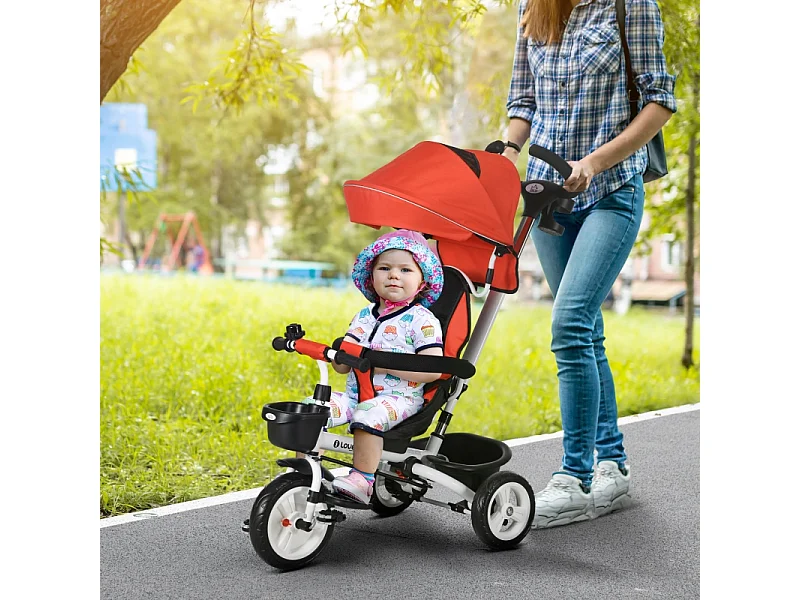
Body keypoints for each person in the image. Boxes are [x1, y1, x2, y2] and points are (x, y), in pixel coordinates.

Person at [502, 0, 676, 528]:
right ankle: (613, 467)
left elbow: (659, 102)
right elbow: (523, 99)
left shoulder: (631, 6)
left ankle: (573, 477)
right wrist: (504, 150)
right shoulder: (534, 8)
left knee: (571, 323)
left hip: (610, 189)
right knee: (587, 332)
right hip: (550, 194)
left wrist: (596, 162)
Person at [304, 230, 445, 504]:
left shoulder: (422, 320)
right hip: (356, 396)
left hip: (400, 399)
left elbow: (433, 369)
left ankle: (362, 480)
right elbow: (342, 369)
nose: (394, 275)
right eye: (385, 268)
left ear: (422, 283)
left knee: (368, 414)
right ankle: (306, 472)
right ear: (372, 277)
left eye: (405, 269)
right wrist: (339, 356)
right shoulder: (363, 317)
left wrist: (382, 366)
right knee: (311, 409)